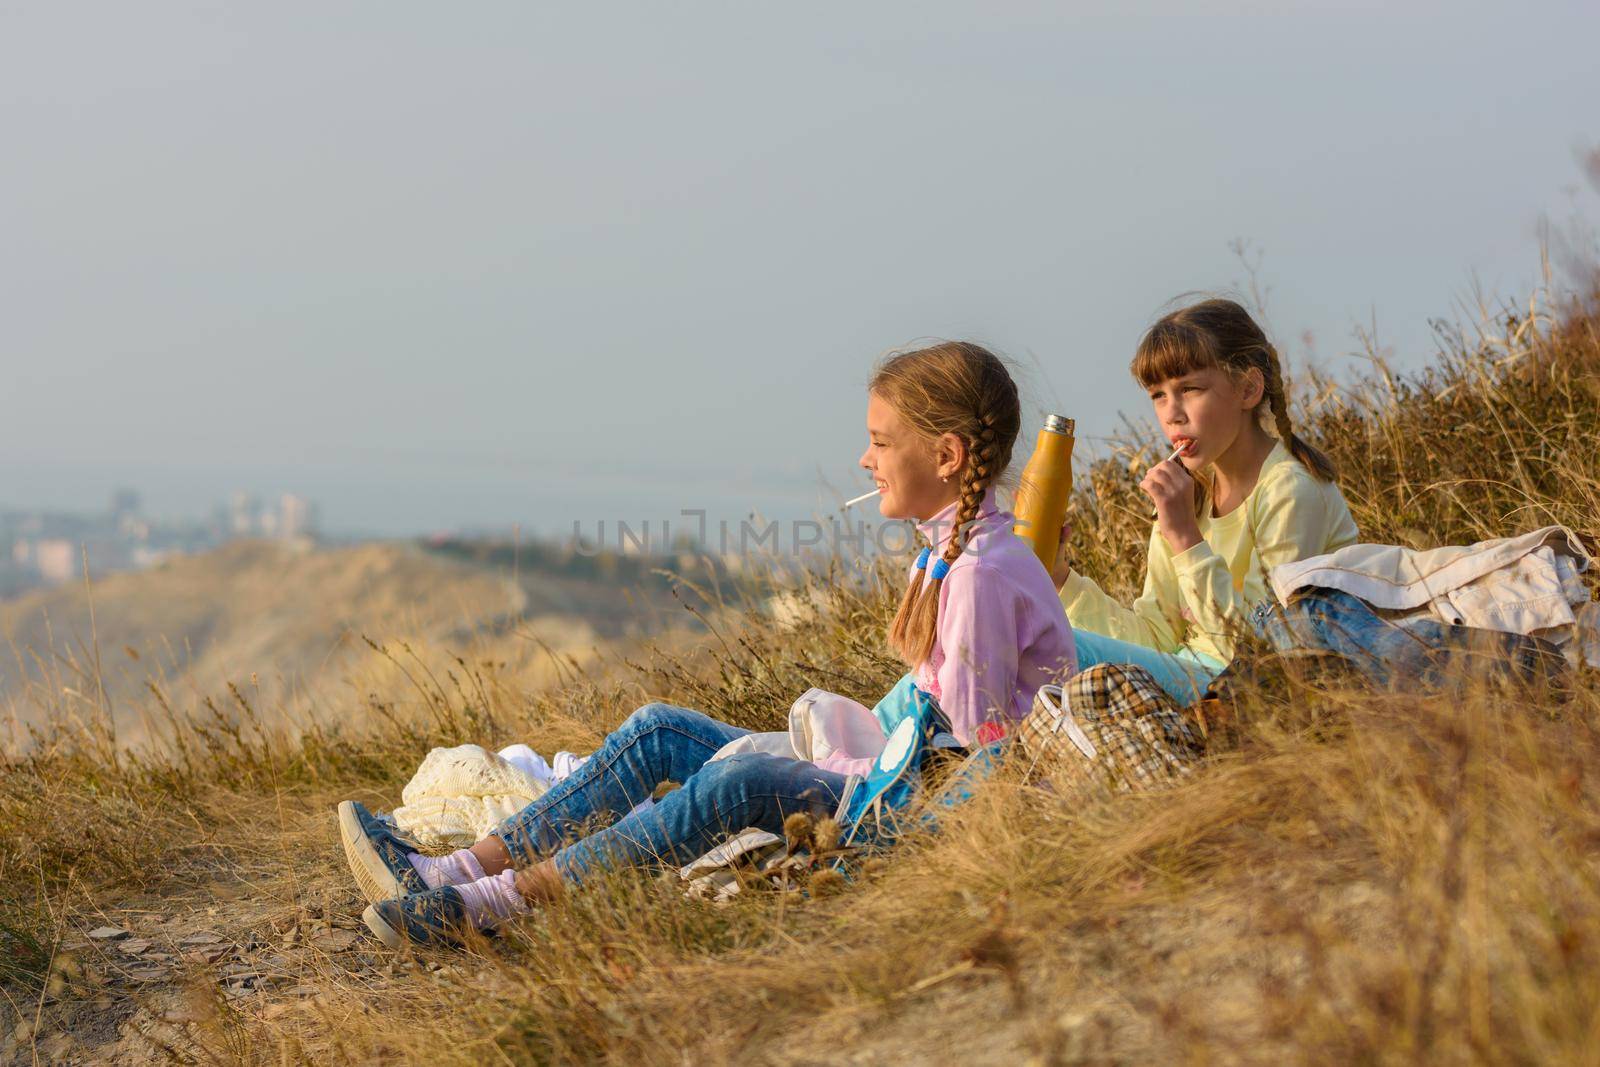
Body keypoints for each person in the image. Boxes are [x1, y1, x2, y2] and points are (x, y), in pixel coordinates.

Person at [341, 340, 1075, 947]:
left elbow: (967, 762)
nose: (864, 458)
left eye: (881, 441)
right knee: (661, 727)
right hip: (886, 769)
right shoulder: (950, 552)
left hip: (902, 803)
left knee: (738, 782)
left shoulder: (979, 574)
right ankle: (454, 869)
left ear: (946, 455)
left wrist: (826, 757)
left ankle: (488, 905)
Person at [1052, 298, 1359, 703]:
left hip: (1251, 688)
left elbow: (1256, 649)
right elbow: (1156, 636)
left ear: (1247, 389)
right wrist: (1061, 579)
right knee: (1045, 641)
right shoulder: (1190, 496)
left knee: (1059, 650)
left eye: (1190, 389)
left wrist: (1184, 537)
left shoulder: (1290, 489)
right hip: (1192, 673)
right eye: (1158, 395)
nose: (1172, 414)